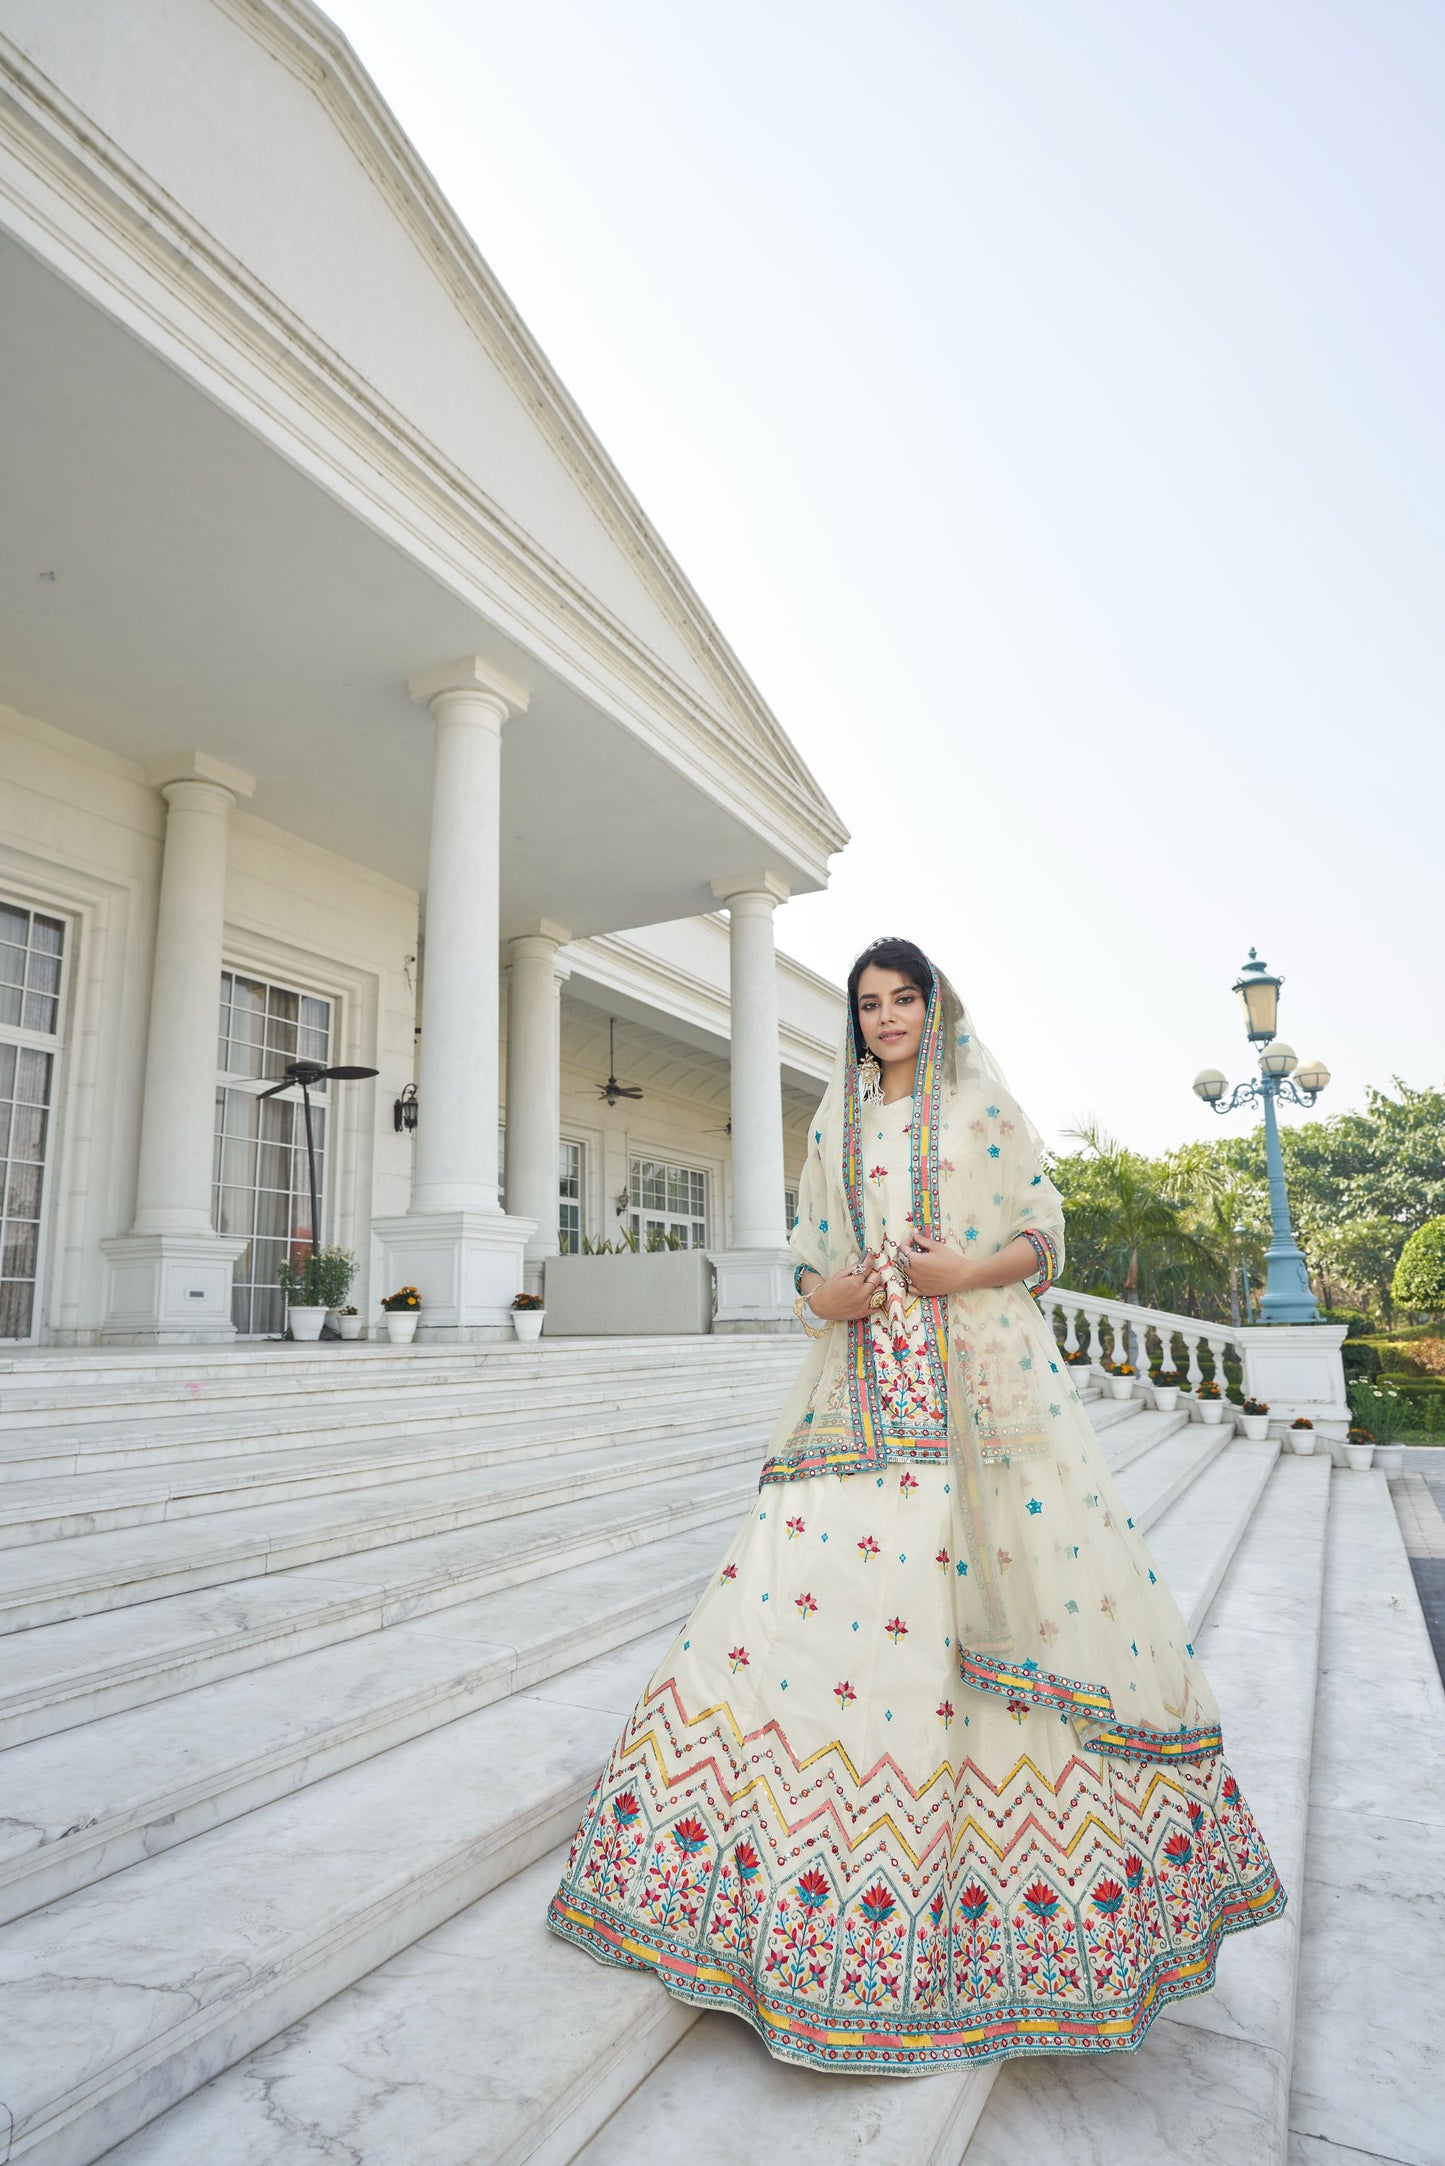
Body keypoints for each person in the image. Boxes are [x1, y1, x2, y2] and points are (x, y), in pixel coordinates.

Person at [547, 937, 1283, 2075]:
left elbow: (1043, 1228)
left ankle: (1012, 1921)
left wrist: (963, 1274)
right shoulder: (833, 1124)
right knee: (789, 1602)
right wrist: (822, 1296)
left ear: (933, 1007)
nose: (885, 1017)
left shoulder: (980, 1105)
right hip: (855, 1402)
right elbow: (805, 1250)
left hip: (982, 1397)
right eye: (868, 1003)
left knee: (996, 1621)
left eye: (902, 999)